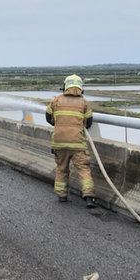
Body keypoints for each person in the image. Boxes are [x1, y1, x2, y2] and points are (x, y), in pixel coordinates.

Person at [45, 74, 96, 207]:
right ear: (81, 88)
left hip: (59, 143)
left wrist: (60, 125)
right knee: (83, 169)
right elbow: (89, 123)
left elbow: (48, 118)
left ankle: (62, 195)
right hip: (77, 143)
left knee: (61, 169)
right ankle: (89, 197)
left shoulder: (56, 100)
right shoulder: (84, 102)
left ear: (65, 87)